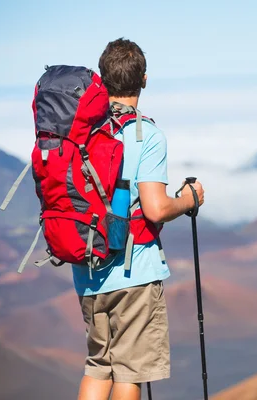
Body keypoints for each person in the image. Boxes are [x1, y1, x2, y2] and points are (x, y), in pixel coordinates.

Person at [74, 38, 205, 400]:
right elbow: (155, 209)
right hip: (135, 270)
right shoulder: (146, 135)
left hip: (87, 266)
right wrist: (189, 199)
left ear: (102, 79)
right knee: (129, 373)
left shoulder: (81, 132)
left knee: (98, 365)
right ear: (144, 79)